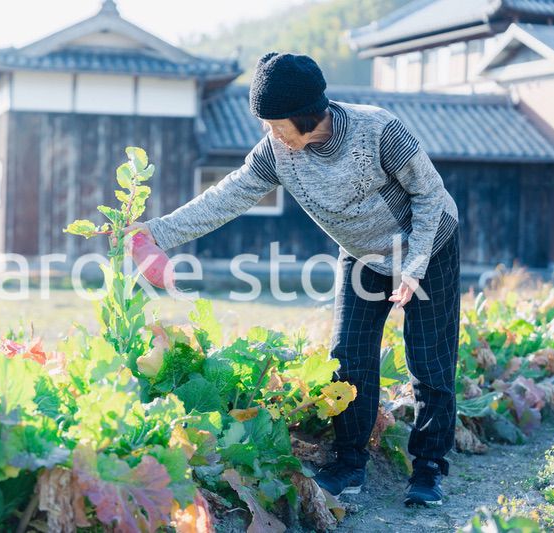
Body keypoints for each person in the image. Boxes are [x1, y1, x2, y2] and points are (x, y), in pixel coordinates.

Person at [122, 52, 461, 507]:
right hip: (363, 256)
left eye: (277, 124)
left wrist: (415, 264)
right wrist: (157, 232)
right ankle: (350, 463)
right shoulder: (278, 152)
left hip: (428, 248)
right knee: (347, 357)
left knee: (430, 363)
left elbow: (430, 195)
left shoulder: (379, 131)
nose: (271, 134)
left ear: (307, 115)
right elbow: (226, 197)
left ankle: (428, 470)